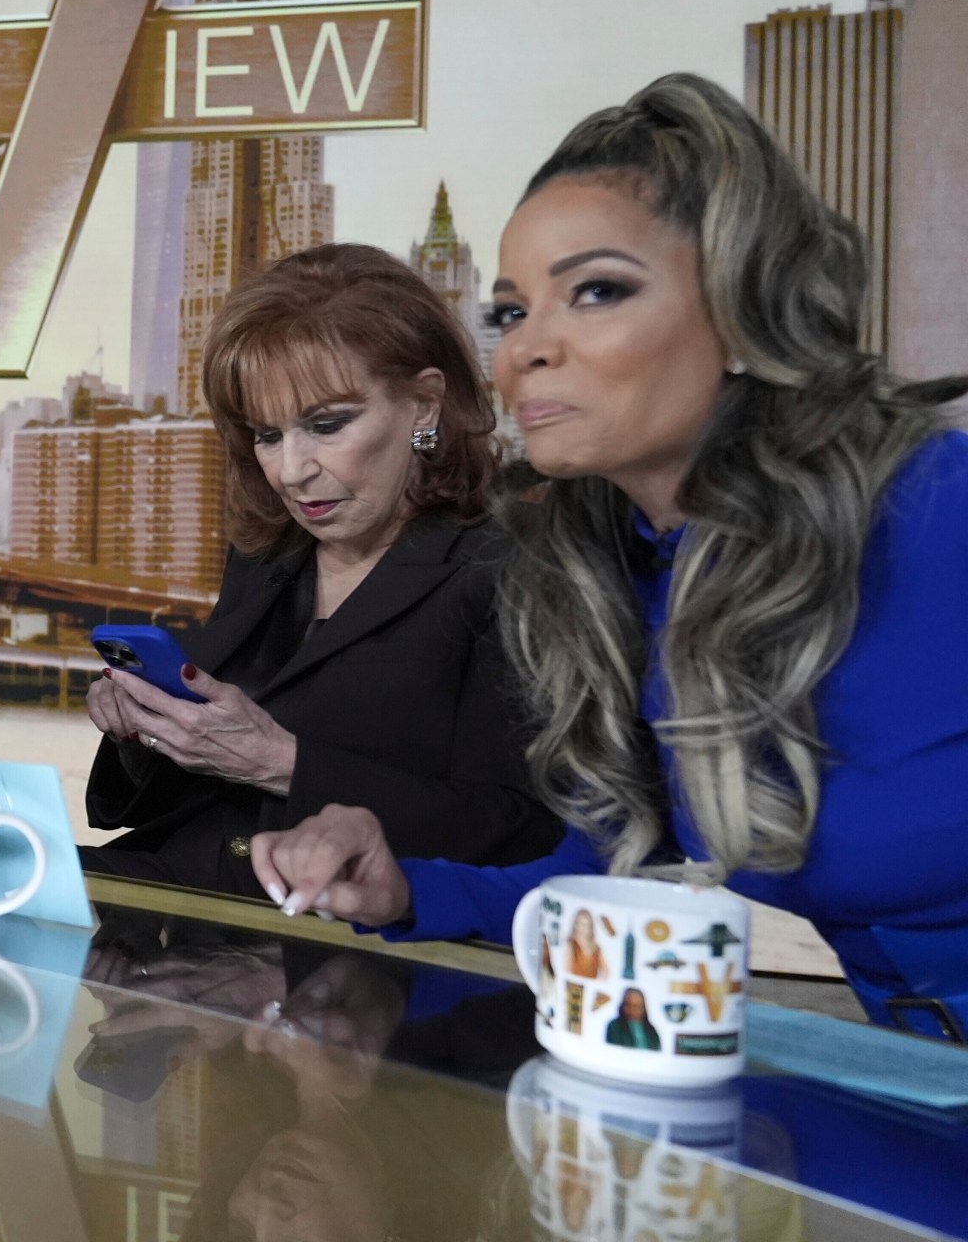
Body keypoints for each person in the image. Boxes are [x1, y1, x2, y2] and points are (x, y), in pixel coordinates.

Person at [250, 74, 968, 1035]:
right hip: (915, 1082)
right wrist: (403, 888)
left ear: (740, 305)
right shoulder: (612, 561)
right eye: (511, 311)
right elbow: (602, 875)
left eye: (596, 291)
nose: (527, 350)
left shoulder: (936, 508)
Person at [82, 244, 560, 895]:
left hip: (343, 937)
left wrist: (281, 764)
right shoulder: (266, 551)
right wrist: (145, 728)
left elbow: (524, 834)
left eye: (326, 425)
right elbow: (158, 804)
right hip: (180, 883)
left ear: (424, 404)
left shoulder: (510, 570)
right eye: (267, 434)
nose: (290, 470)